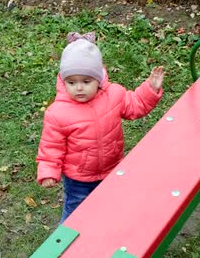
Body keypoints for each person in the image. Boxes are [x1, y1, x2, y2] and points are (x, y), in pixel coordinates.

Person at [36, 31, 165, 223]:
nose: (79, 88)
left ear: (99, 79)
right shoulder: (58, 113)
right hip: (78, 178)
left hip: (112, 168)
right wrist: (48, 171)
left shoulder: (114, 95)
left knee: (112, 207)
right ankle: (67, 246)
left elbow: (135, 105)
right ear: (63, 82)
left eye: (86, 81)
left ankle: (108, 236)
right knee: (75, 214)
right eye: (72, 82)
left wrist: (150, 89)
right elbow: (51, 147)